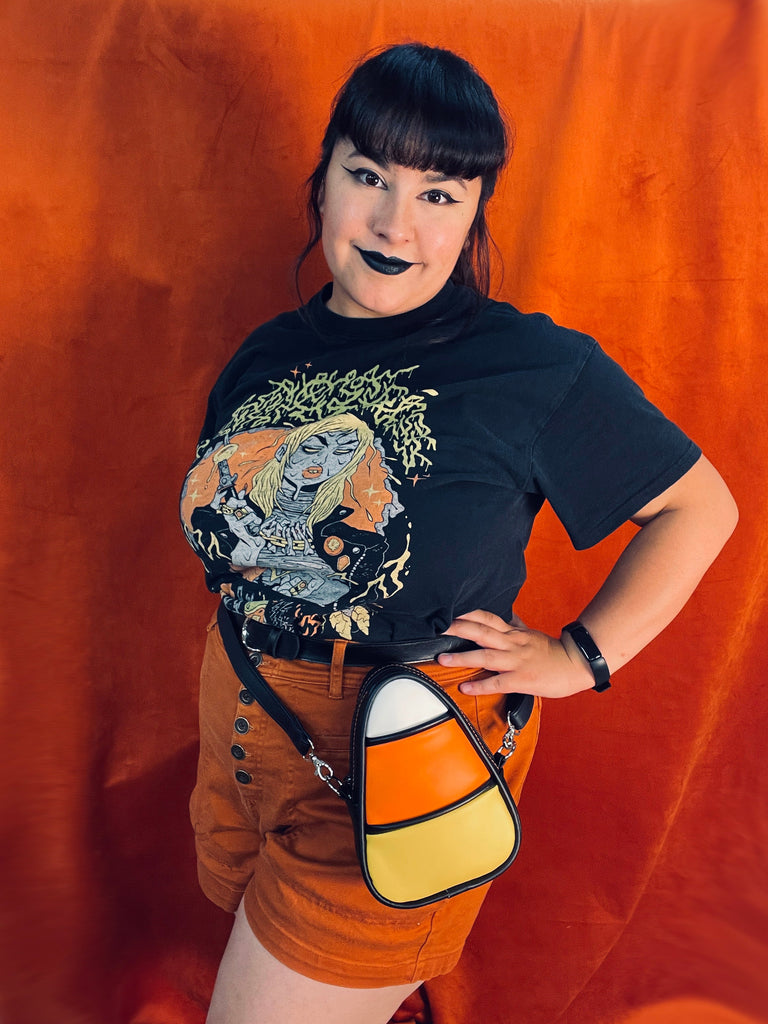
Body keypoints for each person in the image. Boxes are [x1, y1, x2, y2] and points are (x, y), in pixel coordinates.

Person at [179, 42, 737, 1024]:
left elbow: (702, 507)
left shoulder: (530, 366)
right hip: (243, 736)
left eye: (439, 193)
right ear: (322, 183)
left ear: (476, 210)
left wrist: (580, 657)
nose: (395, 223)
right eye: (368, 176)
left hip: (398, 755)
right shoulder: (268, 353)